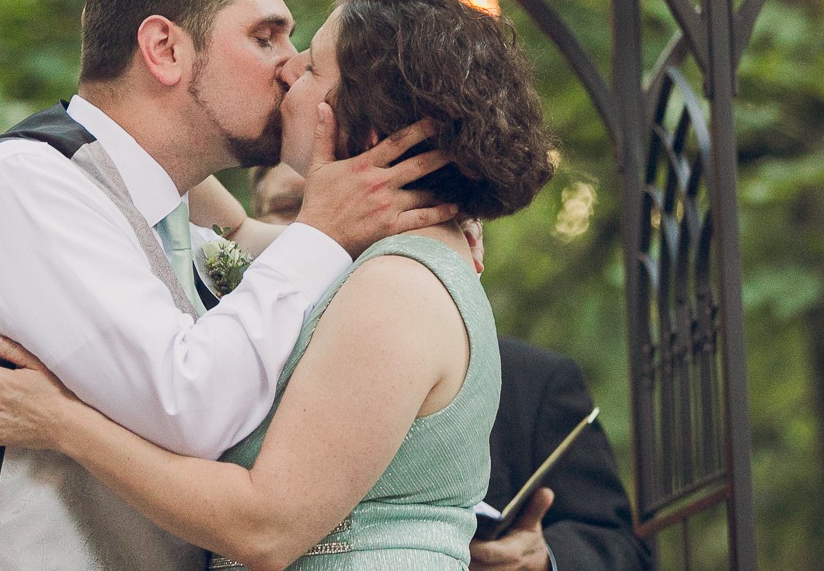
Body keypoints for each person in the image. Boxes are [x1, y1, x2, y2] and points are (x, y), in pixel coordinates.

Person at [0, 0, 558, 569]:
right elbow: (236, 232)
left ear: (365, 128)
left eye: (311, 65)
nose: (288, 70)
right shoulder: (365, 258)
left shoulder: (397, 286)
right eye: (267, 41)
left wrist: (65, 423)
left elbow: (264, 528)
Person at [248, 166, 653, 571]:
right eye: (289, 208)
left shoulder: (535, 382)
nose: (323, 220)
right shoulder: (241, 355)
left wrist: (543, 558)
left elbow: (626, 551)